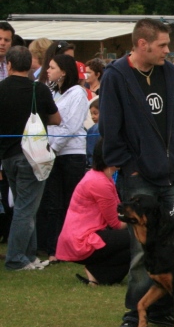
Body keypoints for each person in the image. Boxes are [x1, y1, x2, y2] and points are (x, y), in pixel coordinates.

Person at [101, 19, 174, 327]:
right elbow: (109, 129)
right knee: (142, 250)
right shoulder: (116, 77)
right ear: (142, 44)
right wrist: (128, 166)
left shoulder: (170, 73)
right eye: (162, 45)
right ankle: (135, 313)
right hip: (138, 177)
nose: (168, 51)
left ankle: (168, 311)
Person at [0, 46, 61, 271]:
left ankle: (28, 255)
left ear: (9, 65)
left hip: (7, 157)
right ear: (30, 65)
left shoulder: (1, 88)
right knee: (26, 209)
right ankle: (16, 259)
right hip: (33, 156)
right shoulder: (39, 90)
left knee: (25, 207)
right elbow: (56, 119)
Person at [55, 138, 131, 285]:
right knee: (136, 237)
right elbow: (116, 223)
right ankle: (98, 272)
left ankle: (98, 274)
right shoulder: (100, 182)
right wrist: (139, 220)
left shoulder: (99, 176)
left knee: (130, 246)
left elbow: (117, 211)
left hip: (81, 237)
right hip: (83, 241)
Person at [39, 53, 89, 261]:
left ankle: (73, 247)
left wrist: (53, 147)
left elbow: (71, 125)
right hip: (54, 153)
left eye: (52, 67)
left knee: (71, 202)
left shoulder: (77, 93)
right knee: (53, 203)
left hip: (71, 155)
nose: (48, 71)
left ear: (64, 72)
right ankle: (53, 248)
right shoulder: (54, 92)